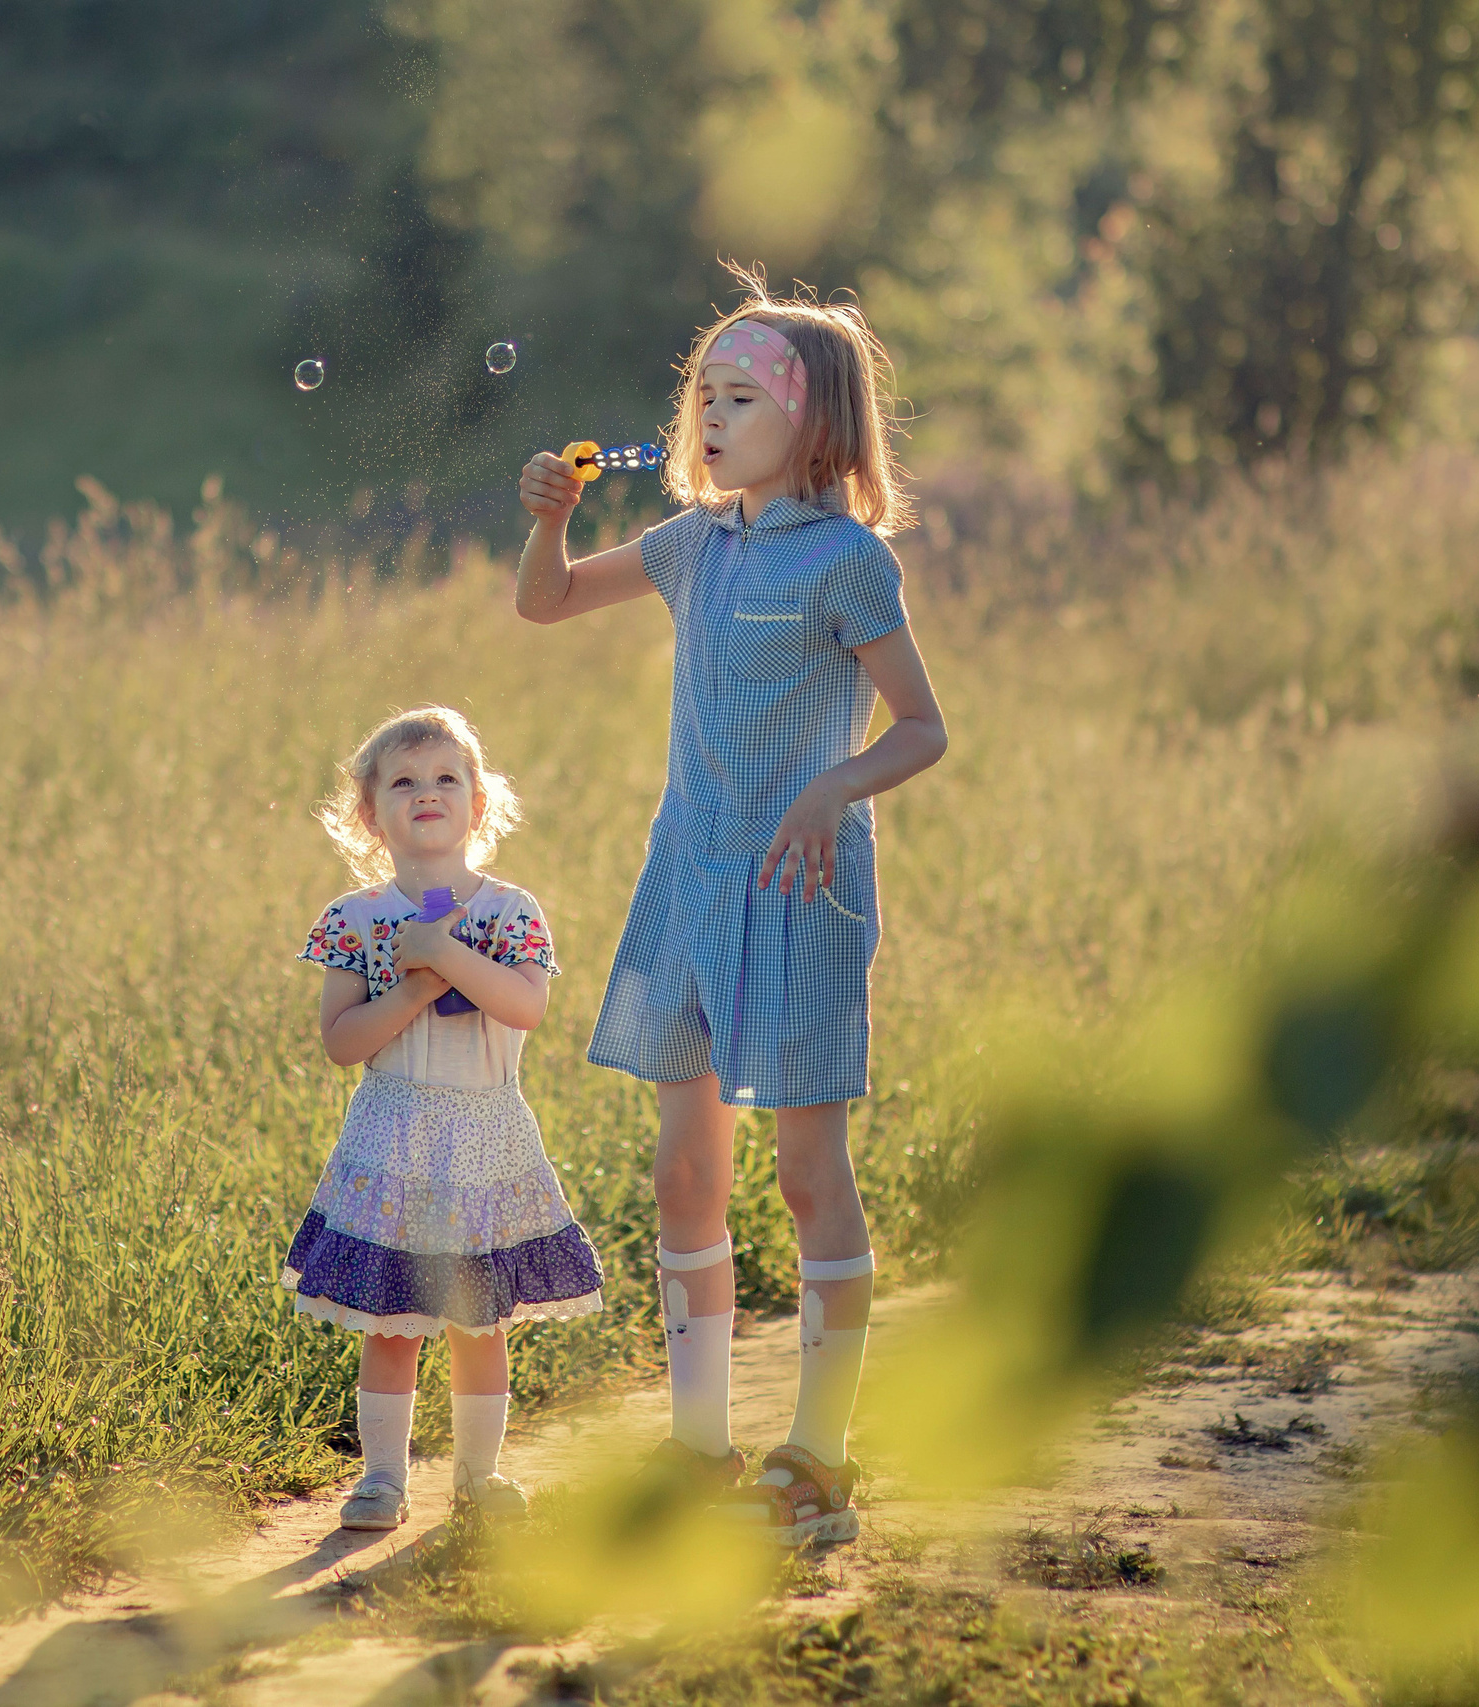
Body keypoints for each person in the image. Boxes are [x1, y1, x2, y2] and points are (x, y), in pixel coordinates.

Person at [511, 271, 948, 1546]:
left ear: (816, 430)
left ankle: (817, 1457)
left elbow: (921, 729)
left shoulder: (847, 562)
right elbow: (544, 602)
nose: (708, 414)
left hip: (801, 894)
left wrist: (835, 789)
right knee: (682, 1170)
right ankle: (696, 1449)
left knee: (808, 1179)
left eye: (740, 396)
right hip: (686, 883)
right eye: (702, 393)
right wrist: (547, 520)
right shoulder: (691, 546)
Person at [283, 705, 604, 1531]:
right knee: (391, 1323)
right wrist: (416, 985)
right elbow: (342, 1041)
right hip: (393, 1136)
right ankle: (383, 1479)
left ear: (479, 805)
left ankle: (478, 1475)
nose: (426, 792)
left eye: (446, 778)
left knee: (477, 1318)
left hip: (484, 1138)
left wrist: (447, 952)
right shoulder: (355, 918)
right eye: (403, 781)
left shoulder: (507, 910)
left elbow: (526, 1006)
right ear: (369, 813)